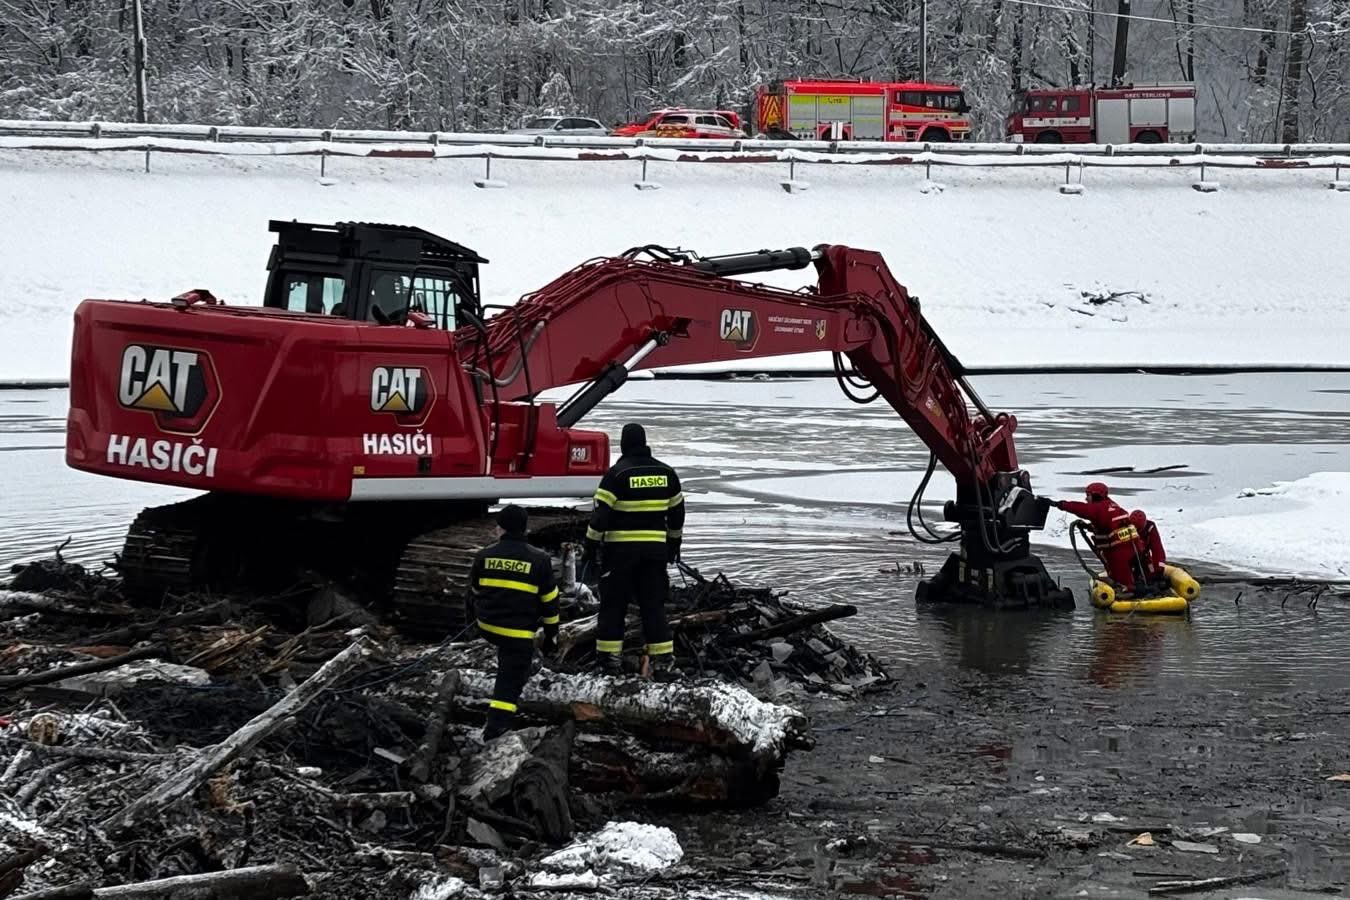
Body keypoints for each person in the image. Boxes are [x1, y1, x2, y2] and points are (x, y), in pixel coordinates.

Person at [582, 423, 685, 678]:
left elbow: (600, 517)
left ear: (624, 445)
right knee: (653, 605)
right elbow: (677, 514)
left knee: (613, 605)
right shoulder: (667, 473)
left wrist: (590, 547)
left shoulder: (617, 475)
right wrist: (674, 544)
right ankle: (663, 662)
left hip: (620, 553)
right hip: (654, 552)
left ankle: (609, 663)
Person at [468, 504, 560, 740]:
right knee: (509, 679)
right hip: (517, 634)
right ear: (525, 529)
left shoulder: (484, 555)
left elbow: (474, 592)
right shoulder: (540, 559)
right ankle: (497, 727)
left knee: (512, 655)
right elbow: (550, 602)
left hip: (486, 626)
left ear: (500, 529)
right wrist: (551, 635)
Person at [1054, 482, 1139, 594]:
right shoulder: (1110, 506)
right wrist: (1088, 527)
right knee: (1123, 571)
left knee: (1122, 577)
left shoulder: (1099, 508)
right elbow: (1106, 525)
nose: (1086, 499)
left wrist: (1061, 504)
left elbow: (1082, 509)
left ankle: (1127, 591)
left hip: (1119, 550)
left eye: (1088, 495)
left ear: (1095, 495)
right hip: (1129, 546)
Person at [1129, 509, 1168, 589]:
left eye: (1139, 529)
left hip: (1145, 557)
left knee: (1151, 574)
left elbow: (1158, 550)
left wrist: (1160, 569)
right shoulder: (1124, 528)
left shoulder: (1150, 527)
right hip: (1129, 558)